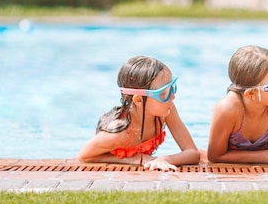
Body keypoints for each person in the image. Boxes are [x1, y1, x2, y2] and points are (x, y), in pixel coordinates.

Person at [77, 56, 205, 171]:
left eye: (172, 88)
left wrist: (165, 159)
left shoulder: (165, 111)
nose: (172, 97)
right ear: (138, 100)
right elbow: (84, 156)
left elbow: (193, 153)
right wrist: (132, 159)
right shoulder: (119, 132)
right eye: (164, 93)